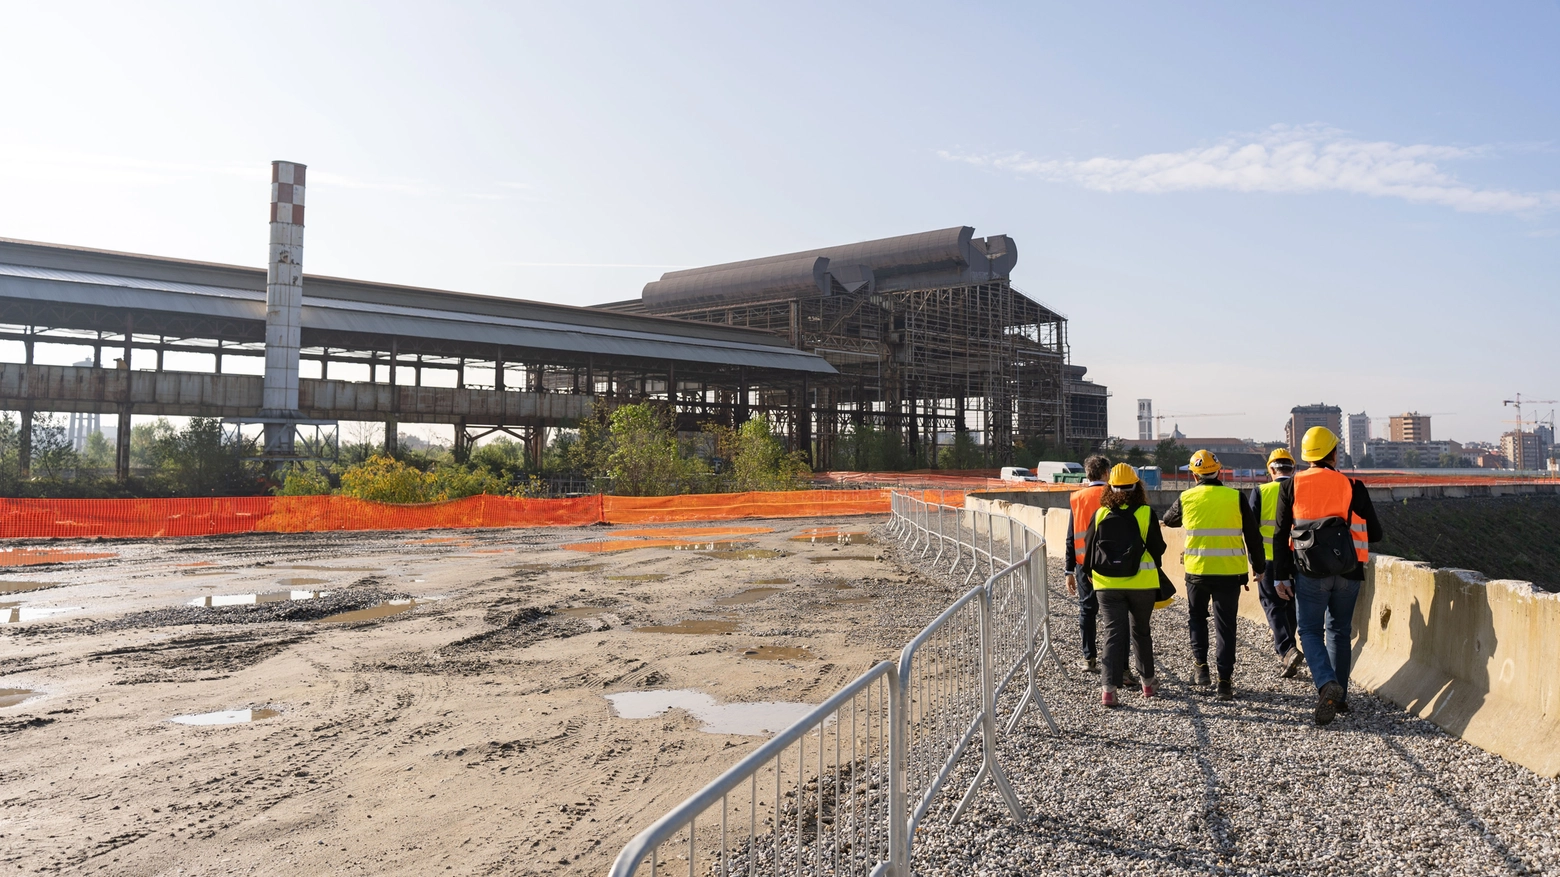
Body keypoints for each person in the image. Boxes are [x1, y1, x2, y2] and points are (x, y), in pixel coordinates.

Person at [1272, 426, 1383, 726]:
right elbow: (1376, 533)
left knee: (1309, 631)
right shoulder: (1351, 485)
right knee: (1339, 631)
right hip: (1348, 569)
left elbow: (1281, 533)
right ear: (1333, 453)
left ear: (1306, 456)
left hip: (1309, 571)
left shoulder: (1290, 486)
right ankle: (1340, 696)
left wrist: (1280, 577)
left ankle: (1325, 685)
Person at [1160, 449, 1265, 701]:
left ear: (1194, 476)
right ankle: (1225, 682)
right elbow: (1253, 535)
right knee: (1226, 626)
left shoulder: (1187, 498)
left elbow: (1168, 520)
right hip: (1229, 573)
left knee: (1197, 618)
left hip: (1197, 571)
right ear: (1219, 472)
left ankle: (1201, 669)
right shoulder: (1235, 497)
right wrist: (1259, 567)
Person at [1080, 463, 1165, 707]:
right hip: (1142, 584)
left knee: (1113, 634)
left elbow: (1088, 549)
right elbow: (1158, 548)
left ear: (1110, 488)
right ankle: (1147, 683)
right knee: (1141, 632)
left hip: (1107, 584)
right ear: (1136, 486)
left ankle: (1108, 689)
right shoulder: (1146, 513)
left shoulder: (1101, 514)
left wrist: (1089, 574)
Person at [1250, 448, 1305, 678]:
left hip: (1269, 559)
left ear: (1271, 469)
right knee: (1289, 604)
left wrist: (1255, 563)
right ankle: (1288, 652)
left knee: (1272, 604)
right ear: (1292, 469)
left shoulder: (1260, 491)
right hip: (1296, 557)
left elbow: (1251, 531)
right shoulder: (1299, 489)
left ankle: (1286, 649)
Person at [1064, 455, 1113, 675]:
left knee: (1087, 611)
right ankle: (1118, 663)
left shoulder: (1077, 498)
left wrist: (1068, 570)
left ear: (1087, 474)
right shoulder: (1114, 495)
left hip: (1084, 564)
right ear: (1105, 473)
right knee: (1115, 614)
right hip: (1113, 564)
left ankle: (1089, 658)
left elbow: (1070, 536)